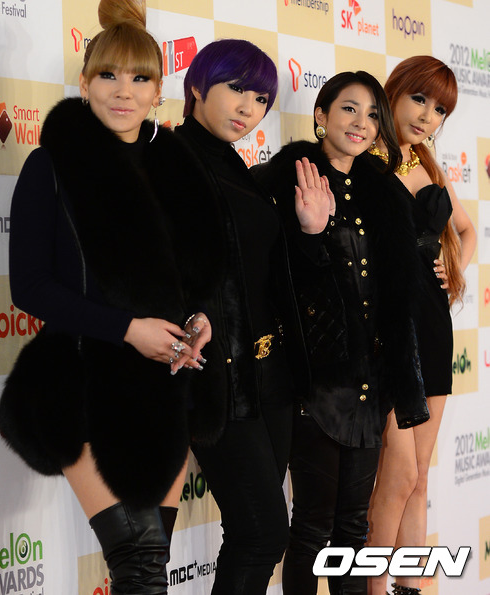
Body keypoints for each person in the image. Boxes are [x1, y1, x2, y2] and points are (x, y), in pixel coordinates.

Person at [0, 1, 224, 592]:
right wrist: (127, 329)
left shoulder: (175, 167)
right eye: (109, 75)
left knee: (150, 566)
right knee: (140, 566)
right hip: (81, 381)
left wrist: (199, 319)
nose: (124, 91)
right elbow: (30, 287)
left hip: (164, 386)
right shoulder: (50, 167)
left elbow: (197, 277)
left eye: (140, 78)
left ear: (158, 91)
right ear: (84, 82)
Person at [253, 71, 429, 595]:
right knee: (312, 528)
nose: (362, 123)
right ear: (321, 115)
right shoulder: (284, 180)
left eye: (373, 114)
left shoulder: (385, 192)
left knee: (353, 528)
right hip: (317, 379)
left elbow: (394, 286)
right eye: (349, 108)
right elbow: (274, 282)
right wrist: (313, 232)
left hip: (371, 380)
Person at [174, 39, 331, 595]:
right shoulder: (171, 160)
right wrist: (187, 317)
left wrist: (311, 232)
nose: (248, 107)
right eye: (236, 88)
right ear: (197, 85)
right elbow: (151, 264)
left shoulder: (238, 167)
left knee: (256, 535)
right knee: (263, 533)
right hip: (219, 377)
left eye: (261, 98)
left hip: (271, 377)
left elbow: (268, 273)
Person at [366, 55, 476, 595]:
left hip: (432, 323)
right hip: (388, 328)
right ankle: (374, 587)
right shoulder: (363, 158)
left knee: (421, 473)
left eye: (440, 110)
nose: (428, 115)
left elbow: (467, 229)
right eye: (419, 99)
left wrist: (454, 269)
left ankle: (409, 587)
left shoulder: (428, 162)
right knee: (399, 472)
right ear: (393, 92)